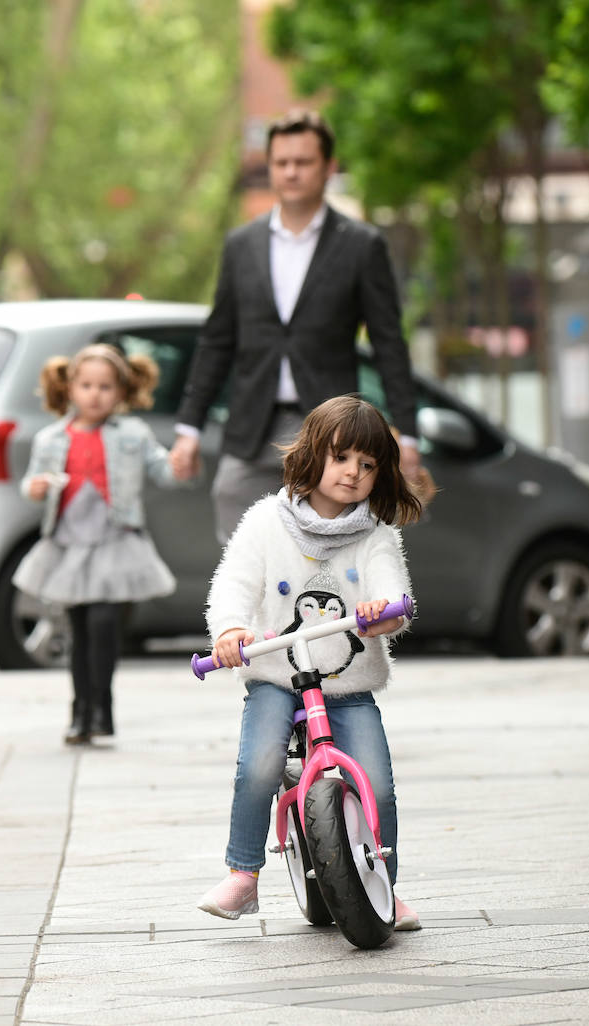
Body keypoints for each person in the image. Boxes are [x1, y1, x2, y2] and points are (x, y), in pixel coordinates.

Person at [196, 394, 423, 931]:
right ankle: (243, 875)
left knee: (379, 783)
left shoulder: (374, 535)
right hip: (278, 675)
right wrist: (230, 630)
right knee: (259, 765)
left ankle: (385, 885)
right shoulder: (265, 522)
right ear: (314, 454)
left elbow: (394, 592)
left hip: (347, 682)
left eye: (368, 466)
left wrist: (383, 613)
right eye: (342, 458)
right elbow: (232, 583)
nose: (353, 473)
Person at [169, 109, 423, 544]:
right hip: (252, 427)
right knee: (242, 554)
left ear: (327, 168)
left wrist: (408, 430)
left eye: (302, 162)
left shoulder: (361, 246)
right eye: (281, 162)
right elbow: (218, 340)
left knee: (327, 560)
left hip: (331, 430)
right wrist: (188, 428)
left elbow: (388, 343)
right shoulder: (241, 245)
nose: (290, 172)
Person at [14, 344, 188, 744]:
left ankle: (101, 708)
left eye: (106, 387)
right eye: (87, 385)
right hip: (70, 544)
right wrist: (36, 488)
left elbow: (163, 470)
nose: (95, 394)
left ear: (123, 391)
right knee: (79, 630)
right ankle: (81, 712)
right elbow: (31, 483)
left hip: (115, 541)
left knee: (104, 625)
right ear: (70, 388)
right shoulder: (51, 438)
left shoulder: (133, 433)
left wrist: (179, 464)